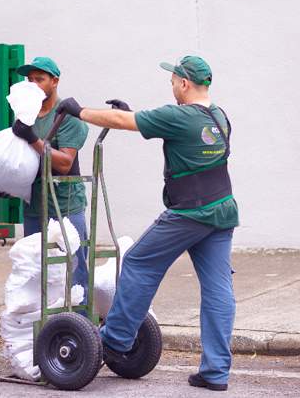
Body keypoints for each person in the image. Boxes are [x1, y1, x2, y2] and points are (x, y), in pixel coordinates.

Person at [57, 56, 238, 391]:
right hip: (222, 210)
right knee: (217, 289)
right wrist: (129, 114)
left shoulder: (179, 116)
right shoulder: (219, 117)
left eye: (172, 80)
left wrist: (78, 111)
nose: (171, 86)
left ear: (184, 83)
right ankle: (215, 372)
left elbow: (122, 121)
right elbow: (152, 124)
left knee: (139, 262)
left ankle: (114, 340)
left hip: (189, 212)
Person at [11, 57, 90, 304]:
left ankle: (79, 327)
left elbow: (65, 162)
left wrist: (32, 138)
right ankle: (44, 328)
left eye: (40, 79)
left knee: (73, 270)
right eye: (29, 79)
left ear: (54, 82)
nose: (33, 84)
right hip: (35, 206)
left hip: (65, 206)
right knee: (36, 270)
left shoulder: (67, 117)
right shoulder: (26, 115)